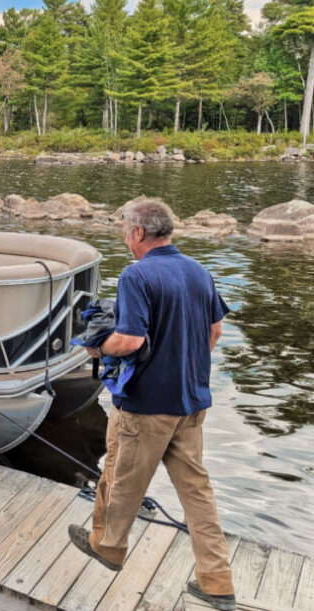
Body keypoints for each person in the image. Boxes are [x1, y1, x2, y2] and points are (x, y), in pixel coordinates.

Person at [67, 198, 236, 611]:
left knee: (121, 475)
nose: (125, 237)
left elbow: (130, 340)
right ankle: (216, 581)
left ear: (139, 233)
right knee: (197, 493)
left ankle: (109, 547)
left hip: (145, 407)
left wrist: (96, 346)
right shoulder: (198, 271)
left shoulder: (136, 275)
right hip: (192, 404)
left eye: (126, 230)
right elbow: (214, 331)